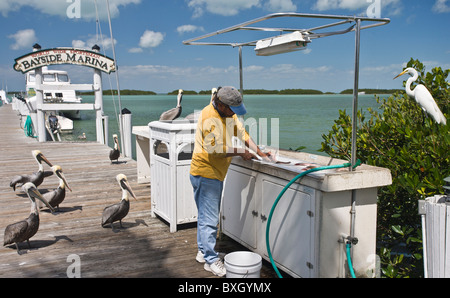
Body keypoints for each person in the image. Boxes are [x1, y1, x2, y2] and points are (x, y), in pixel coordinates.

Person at [189, 86, 271, 276]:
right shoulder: (210, 117)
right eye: (232, 109)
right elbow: (215, 149)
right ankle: (210, 260)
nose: (235, 113)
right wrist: (241, 152)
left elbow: (241, 133)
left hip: (213, 173)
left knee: (205, 216)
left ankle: (204, 252)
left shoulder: (227, 114)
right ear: (221, 104)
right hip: (206, 173)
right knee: (209, 220)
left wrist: (259, 152)